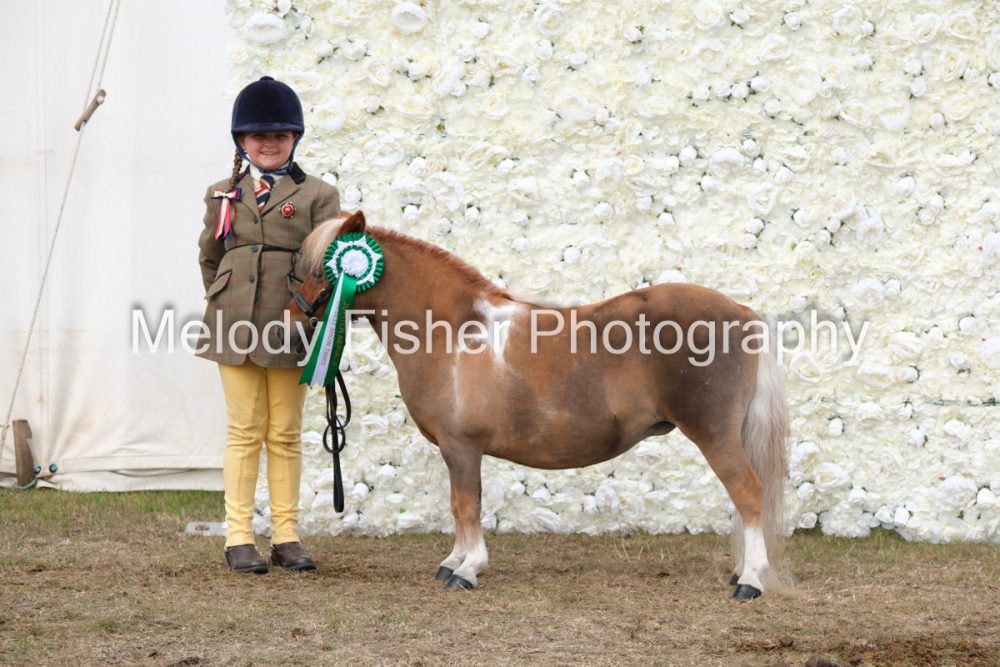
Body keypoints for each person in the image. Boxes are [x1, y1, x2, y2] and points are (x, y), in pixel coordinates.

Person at [196, 76, 341, 573]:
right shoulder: (221, 193)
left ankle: (286, 536)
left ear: (294, 138)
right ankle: (238, 537)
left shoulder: (319, 194)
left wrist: (305, 315)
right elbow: (209, 256)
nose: (269, 143)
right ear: (242, 140)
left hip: (289, 323)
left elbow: (326, 262)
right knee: (243, 429)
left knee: (284, 431)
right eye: (259, 135)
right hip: (233, 322)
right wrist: (223, 301)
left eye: (280, 135)